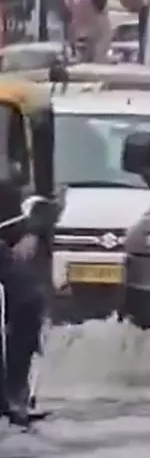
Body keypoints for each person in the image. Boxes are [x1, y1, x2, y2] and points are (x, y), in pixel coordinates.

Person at [0, 174, 45, 426]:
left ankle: (15, 390)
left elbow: (18, 225)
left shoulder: (4, 192)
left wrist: (30, 234)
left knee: (29, 295)